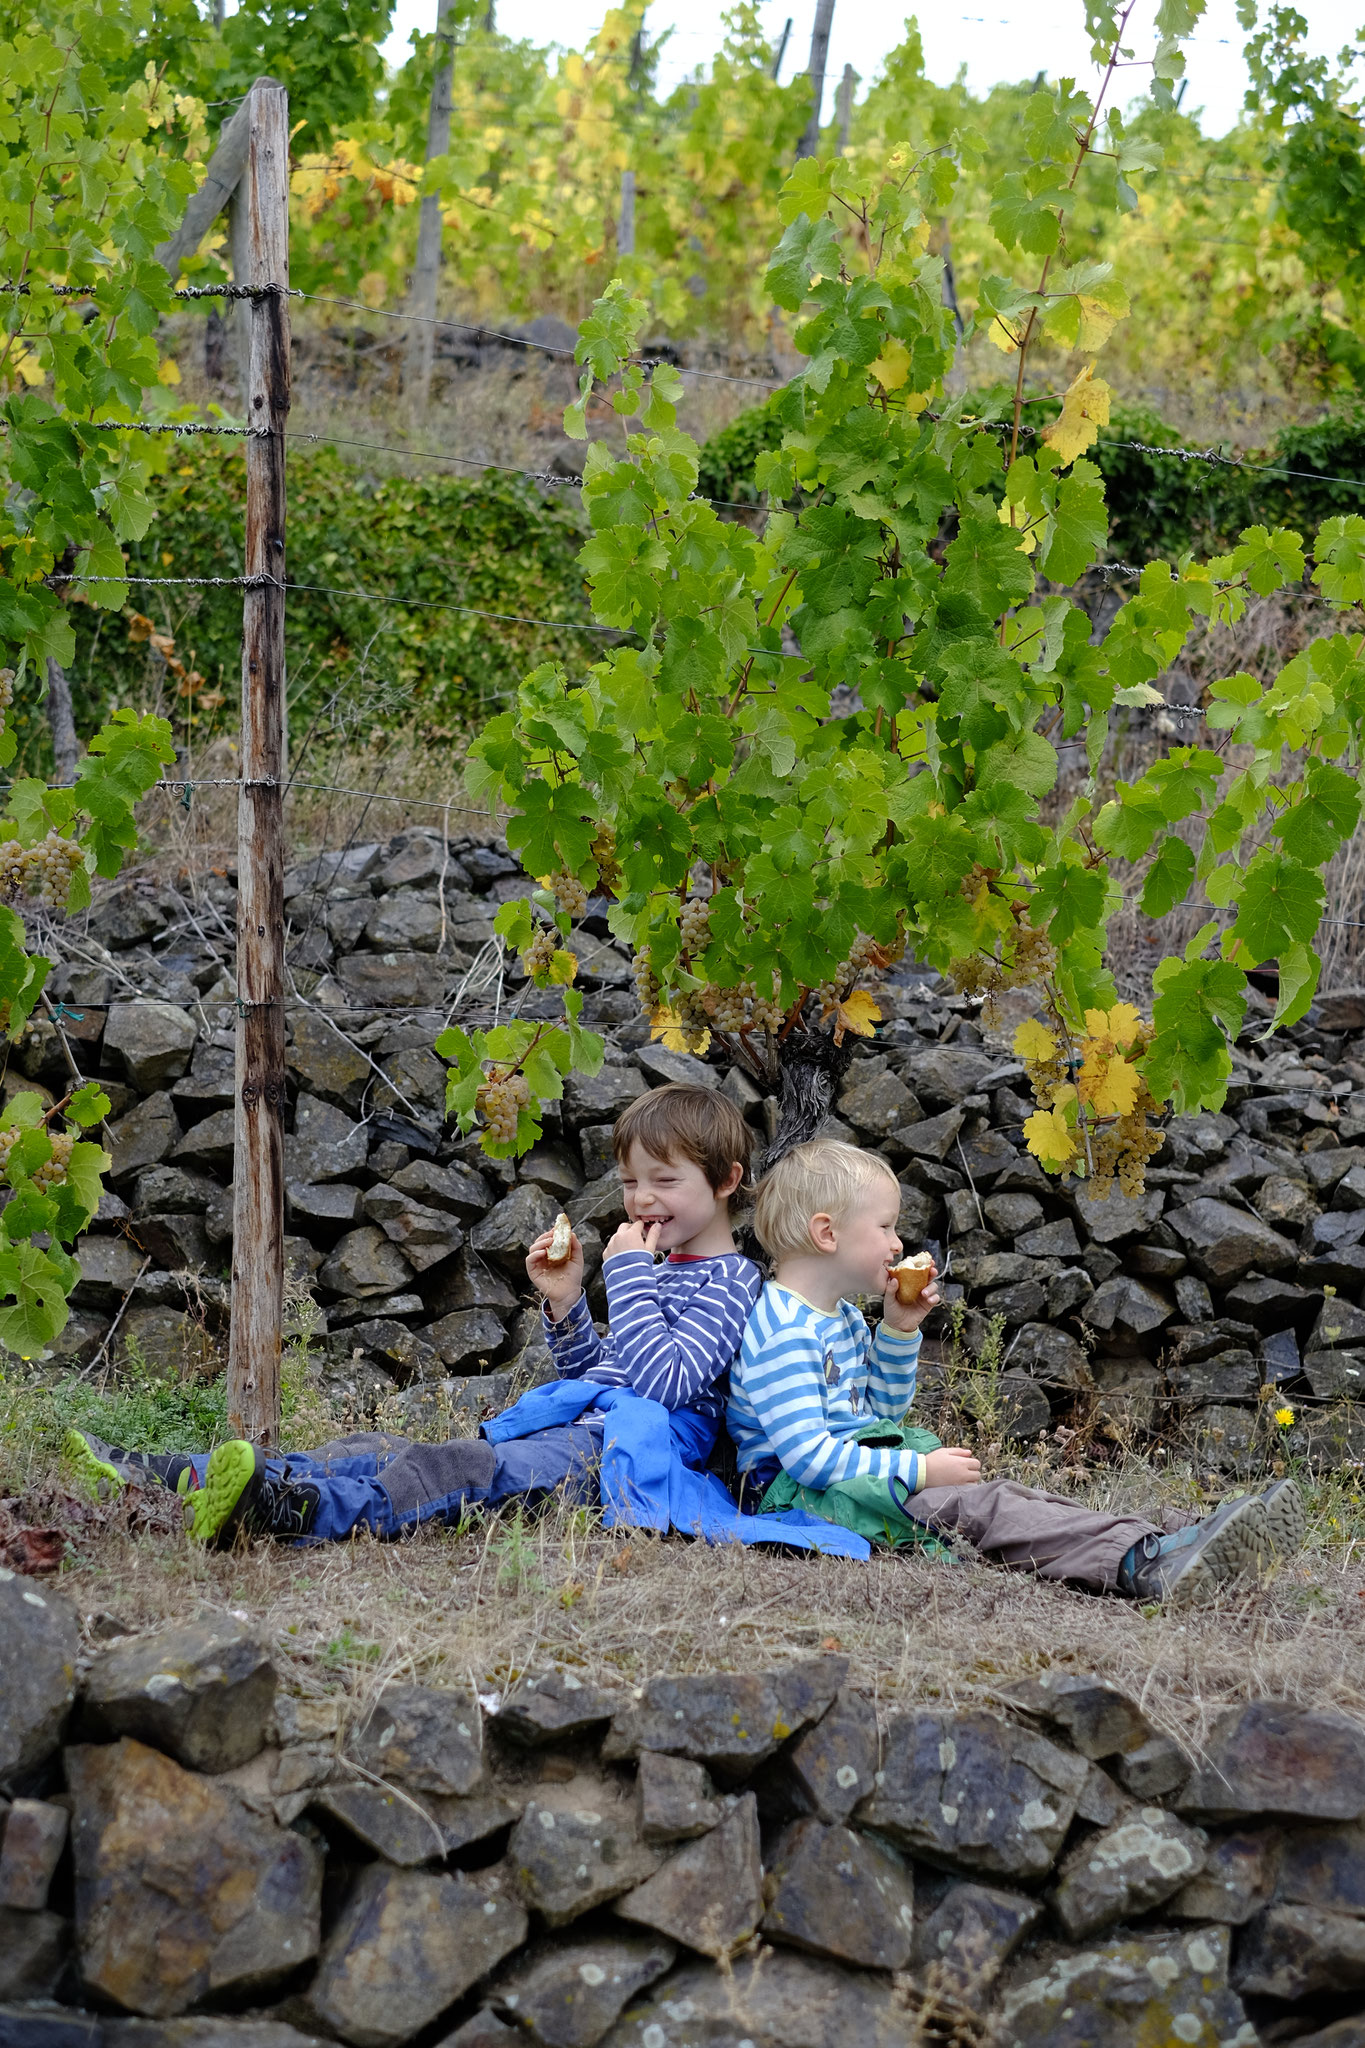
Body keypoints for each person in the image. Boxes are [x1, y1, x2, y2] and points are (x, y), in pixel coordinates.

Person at [64, 1084, 767, 1548]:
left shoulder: (731, 1279)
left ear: (726, 1181)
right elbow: (600, 1377)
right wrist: (567, 1301)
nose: (642, 1199)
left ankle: (293, 1514)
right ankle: (167, 1477)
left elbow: (666, 1385)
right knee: (373, 1446)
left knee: (456, 1468)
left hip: (623, 1457)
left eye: (664, 1181)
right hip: (583, 1430)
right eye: (630, 1182)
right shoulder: (658, 1268)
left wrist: (627, 1277)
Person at [728, 1138, 1306, 1606]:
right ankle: (1143, 1563)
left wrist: (899, 1330)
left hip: (848, 1480)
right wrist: (918, 1468)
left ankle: (1173, 1537)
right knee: (984, 1508)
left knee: (993, 1499)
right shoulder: (784, 1331)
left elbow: (880, 1415)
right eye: (884, 1227)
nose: (897, 1242)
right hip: (795, 1497)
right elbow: (806, 1458)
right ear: (827, 1234)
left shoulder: (845, 1320)